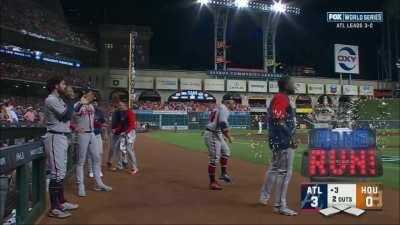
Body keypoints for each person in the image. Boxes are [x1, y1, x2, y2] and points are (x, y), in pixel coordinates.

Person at [259, 75, 298, 216]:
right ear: (286, 86)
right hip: (282, 140)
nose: (295, 86)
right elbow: (279, 119)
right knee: (284, 172)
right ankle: (280, 205)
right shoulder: (281, 98)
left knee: (274, 168)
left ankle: (264, 196)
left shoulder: (281, 98)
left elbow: (278, 119)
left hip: (277, 140)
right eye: (292, 83)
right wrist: (291, 137)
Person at [43, 77, 79, 218]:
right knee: (57, 173)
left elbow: (68, 118)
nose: (65, 86)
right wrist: (71, 100)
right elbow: (66, 115)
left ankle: (61, 202)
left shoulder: (59, 100)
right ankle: (54, 208)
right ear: (55, 85)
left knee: (61, 172)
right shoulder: (50, 99)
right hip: (54, 137)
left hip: (62, 136)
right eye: (63, 83)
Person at [74, 90, 112, 197]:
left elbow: (97, 119)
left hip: (92, 134)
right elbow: (76, 111)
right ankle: (80, 186)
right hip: (82, 134)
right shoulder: (78, 104)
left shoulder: (91, 107)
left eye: (93, 95)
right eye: (90, 94)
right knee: (81, 161)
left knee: (97, 158)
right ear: (85, 95)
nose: (92, 96)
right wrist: (82, 102)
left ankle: (99, 183)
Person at [203, 93, 235, 190]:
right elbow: (222, 123)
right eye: (233, 102)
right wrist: (229, 136)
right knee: (214, 159)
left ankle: (223, 173)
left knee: (226, 152)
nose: (234, 104)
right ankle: (212, 182)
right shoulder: (224, 109)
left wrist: (222, 135)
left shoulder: (220, 107)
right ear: (227, 102)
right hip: (212, 134)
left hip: (216, 133)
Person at [111, 100, 139, 175]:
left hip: (130, 133)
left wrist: (125, 132)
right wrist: (116, 130)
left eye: (120, 105)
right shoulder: (122, 113)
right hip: (124, 133)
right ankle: (119, 165)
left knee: (129, 150)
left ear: (125, 105)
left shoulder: (130, 112)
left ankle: (134, 167)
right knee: (119, 148)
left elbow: (132, 125)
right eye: (119, 105)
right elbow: (121, 124)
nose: (119, 106)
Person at [87, 100, 105, 178]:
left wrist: (105, 134)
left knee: (100, 152)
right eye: (92, 102)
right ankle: (91, 170)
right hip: (89, 134)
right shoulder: (86, 111)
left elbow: (103, 123)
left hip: (98, 134)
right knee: (90, 153)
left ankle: (98, 170)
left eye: (95, 102)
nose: (94, 103)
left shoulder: (99, 112)